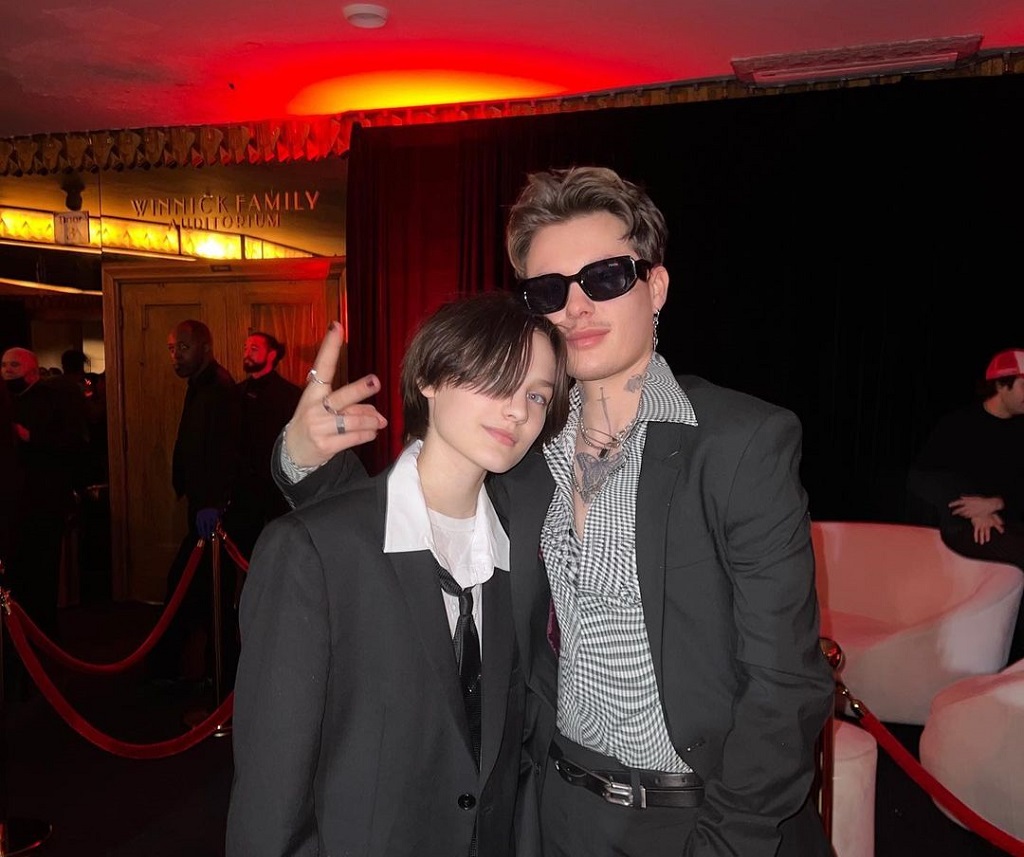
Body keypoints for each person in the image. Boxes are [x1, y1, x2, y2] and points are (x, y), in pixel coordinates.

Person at [275, 166, 835, 856]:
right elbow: (394, 530)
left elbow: (786, 685)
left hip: (701, 821)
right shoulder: (519, 455)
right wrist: (302, 456)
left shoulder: (737, 444)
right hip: (556, 812)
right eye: (549, 290)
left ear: (656, 287)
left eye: (604, 277)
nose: (575, 306)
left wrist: (726, 842)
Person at [226, 291, 569, 857]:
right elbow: (271, 797)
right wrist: (294, 452)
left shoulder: (522, 554)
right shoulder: (315, 552)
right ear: (430, 378)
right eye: (496, 376)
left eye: (537, 394)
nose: (518, 410)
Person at [907, 347, 1024, 663]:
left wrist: (996, 503)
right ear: (1002, 385)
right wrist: (973, 510)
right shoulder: (959, 425)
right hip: (962, 527)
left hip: (1008, 522)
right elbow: (921, 477)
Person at [147, 320, 240, 684]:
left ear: (205, 347)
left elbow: (226, 451)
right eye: (172, 349)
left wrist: (214, 502)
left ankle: (216, 677)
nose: (176, 356)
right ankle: (203, 673)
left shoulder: (219, 389)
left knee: (202, 594)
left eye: (183, 348)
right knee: (198, 596)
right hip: (202, 506)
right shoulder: (201, 385)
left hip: (215, 512)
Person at [2, 346, 85, 639]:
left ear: (33, 372)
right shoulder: (6, 402)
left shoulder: (53, 400)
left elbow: (72, 443)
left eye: (14, 365)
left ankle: (43, 632)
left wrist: (31, 437)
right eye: (4, 365)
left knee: (42, 569)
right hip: (13, 501)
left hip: (45, 499)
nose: (7, 370)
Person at [222, 332, 302, 564]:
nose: (247, 353)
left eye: (254, 349)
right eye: (245, 348)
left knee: (281, 553)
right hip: (242, 494)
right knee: (242, 555)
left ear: (272, 354)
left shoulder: (290, 395)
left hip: (278, 491)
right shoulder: (235, 394)